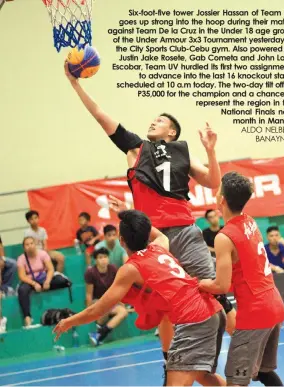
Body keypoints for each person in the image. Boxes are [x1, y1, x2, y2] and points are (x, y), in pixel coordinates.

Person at [64, 63, 236, 381]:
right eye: (152, 119)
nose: (152, 122)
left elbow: (214, 183)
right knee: (161, 304)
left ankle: (238, 344)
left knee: (215, 291)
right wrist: (77, 87)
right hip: (153, 239)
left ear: (171, 132)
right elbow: (103, 117)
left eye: (160, 121)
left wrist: (211, 151)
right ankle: (170, 360)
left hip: (183, 229)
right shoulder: (137, 149)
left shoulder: (181, 151)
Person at [54, 210, 226, 387]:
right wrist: (131, 215)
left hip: (194, 319)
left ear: (122, 240)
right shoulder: (160, 247)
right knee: (202, 377)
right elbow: (158, 233)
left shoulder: (131, 269)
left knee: (176, 384)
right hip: (212, 310)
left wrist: (69, 322)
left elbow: (98, 309)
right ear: (146, 235)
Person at [199, 172, 284, 387]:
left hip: (255, 312)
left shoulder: (223, 237)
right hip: (275, 306)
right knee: (263, 373)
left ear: (222, 200)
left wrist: (198, 283)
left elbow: (222, 285)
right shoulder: (250, 222)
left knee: (236, 381)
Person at [17, 237, 68, 327]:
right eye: (27, 244)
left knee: (61, 281)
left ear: (35, 245)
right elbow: (22, 276)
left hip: (44, 278)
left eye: (31, 243)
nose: (30, 246)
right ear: (24, 248)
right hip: (31, 282)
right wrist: (34, 284)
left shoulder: (42, 254)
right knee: (22, 290)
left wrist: (47, 281)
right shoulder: (21, 259)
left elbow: (51, 269)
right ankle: (27, 317)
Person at [84, 247, 128, 346]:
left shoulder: (113, 269)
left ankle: (100, 334)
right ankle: (99, 330)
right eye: (100, 257)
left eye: (105, 257)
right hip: (97, 301)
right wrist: (88, 311)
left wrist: (122, 303)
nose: (103, 260)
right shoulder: (90, 272)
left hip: (111, 302)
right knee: (106, 304)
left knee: (123, 312)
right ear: (95, 260)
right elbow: (89, 293)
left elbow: (118, 288)